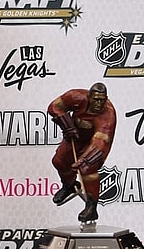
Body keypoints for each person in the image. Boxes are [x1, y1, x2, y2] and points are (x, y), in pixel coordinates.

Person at [48, 82, 116, 222]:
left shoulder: (107, 115)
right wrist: (66, 124)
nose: (98, 104)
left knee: (87, 168)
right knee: (59, 161)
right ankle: (69, 185)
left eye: (102, 100)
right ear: (89, 96)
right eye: (96, 99)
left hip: (94, 143)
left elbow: (100, 142)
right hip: (75, 136)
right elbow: (54, 107)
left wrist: (85, 159)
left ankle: (91, 207)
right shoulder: (76, 96)